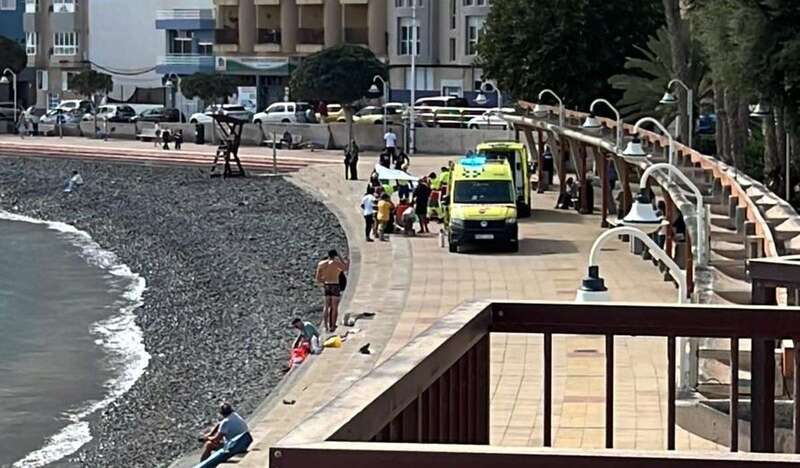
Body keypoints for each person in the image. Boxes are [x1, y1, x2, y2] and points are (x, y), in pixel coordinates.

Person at [315, 249, 348, 332]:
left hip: (327, 285)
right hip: (335, 284)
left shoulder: (321, 264)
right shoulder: (336, 264)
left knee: (326, 306)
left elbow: (318, 278)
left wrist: (324, 282)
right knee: (334, 307)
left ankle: (325, 326)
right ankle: (332, 325)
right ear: (335, 256)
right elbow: (346, 267)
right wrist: (340, 257)